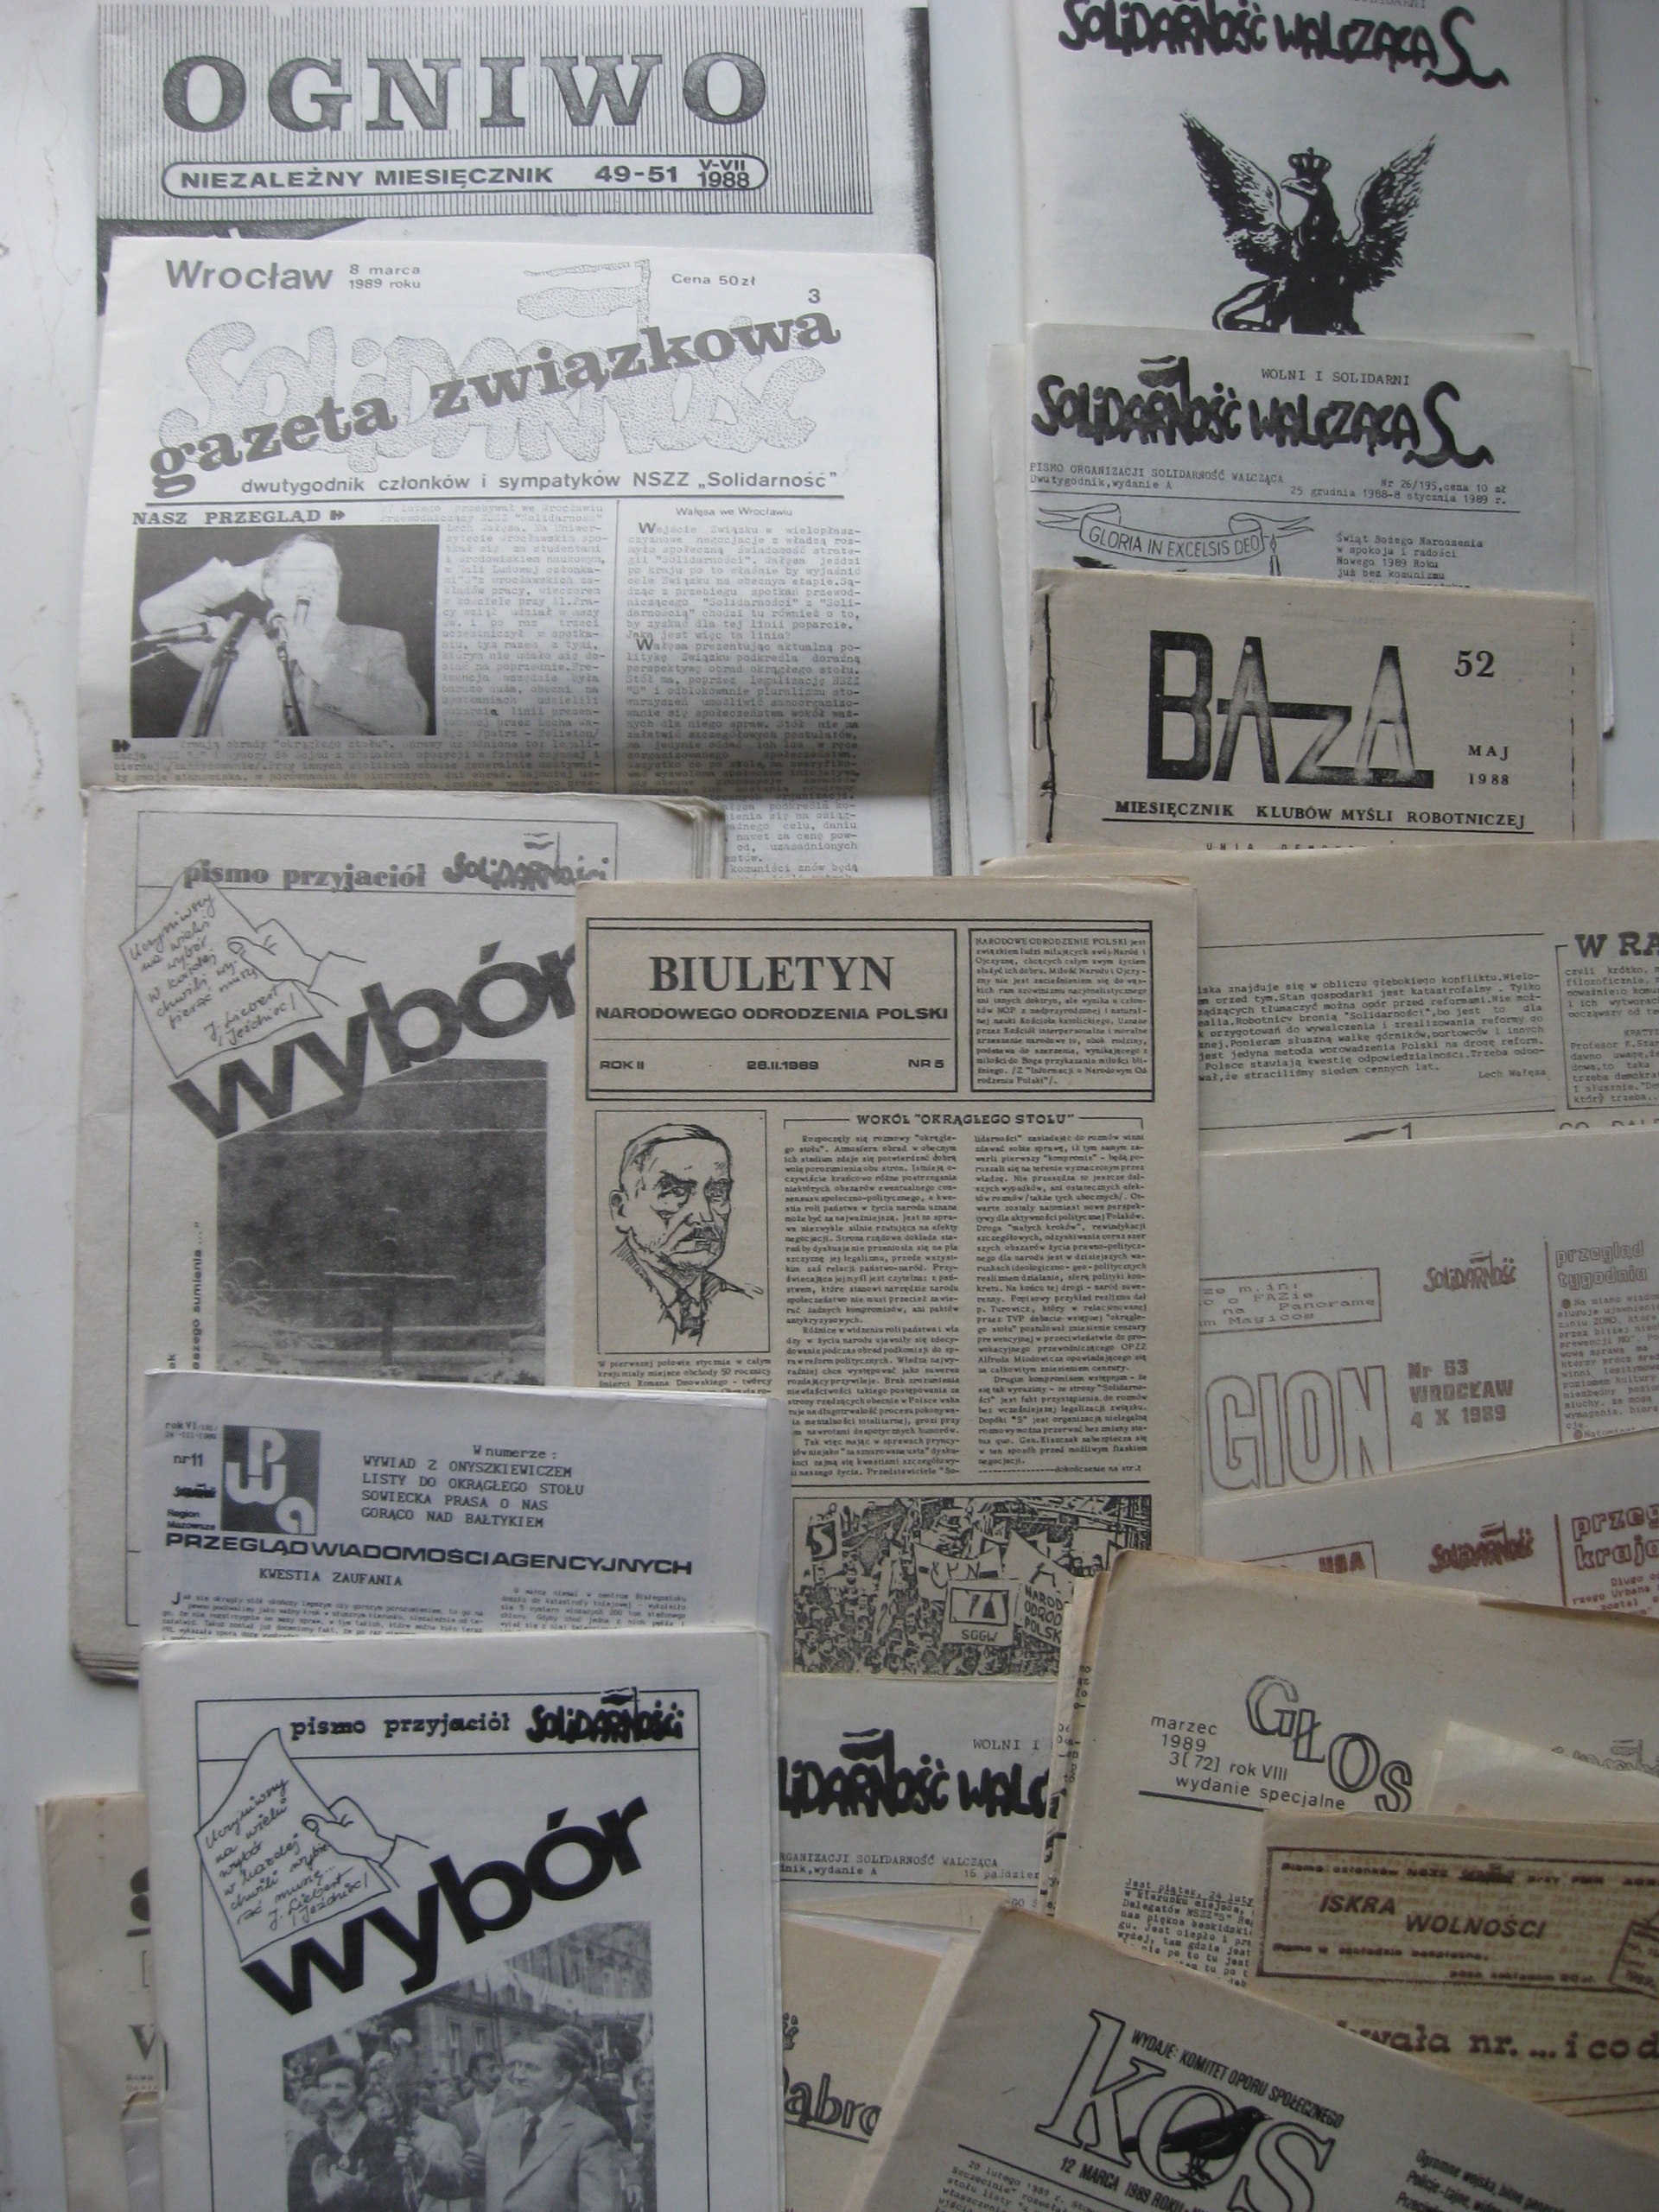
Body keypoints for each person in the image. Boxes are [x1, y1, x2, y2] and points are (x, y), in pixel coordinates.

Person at [137, 533, 429, 740]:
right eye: (302, 570)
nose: (315, 582)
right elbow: (158, 612)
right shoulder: (236, 640)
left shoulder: (375, 642)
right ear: (270, 587)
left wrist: (321, 668)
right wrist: (242, 576)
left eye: (327, 574)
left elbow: (411, 722)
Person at [603, 1123, 761, 1350]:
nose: (704, 1217)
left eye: (716, 1193)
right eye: (676, 1192)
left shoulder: (743, 1304)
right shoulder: (597, 1298)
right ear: (622, 1210)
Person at [429, 2031, 622, 2212]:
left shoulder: (591, 2133)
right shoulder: (499, 2126)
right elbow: (463, 2177)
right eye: (516, 2066)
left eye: (531, 2068)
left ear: (562, 2079)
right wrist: (422, 2166)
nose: (518, 2076)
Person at [286, 2056, 407, 2211]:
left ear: (360, 2093)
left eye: (342, 2086)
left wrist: (366, 2192)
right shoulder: (307, 2147)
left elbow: (404, 2201)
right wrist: (322, 2199)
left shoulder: (386, 2137)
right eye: (325, 2087)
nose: (332, 2095)